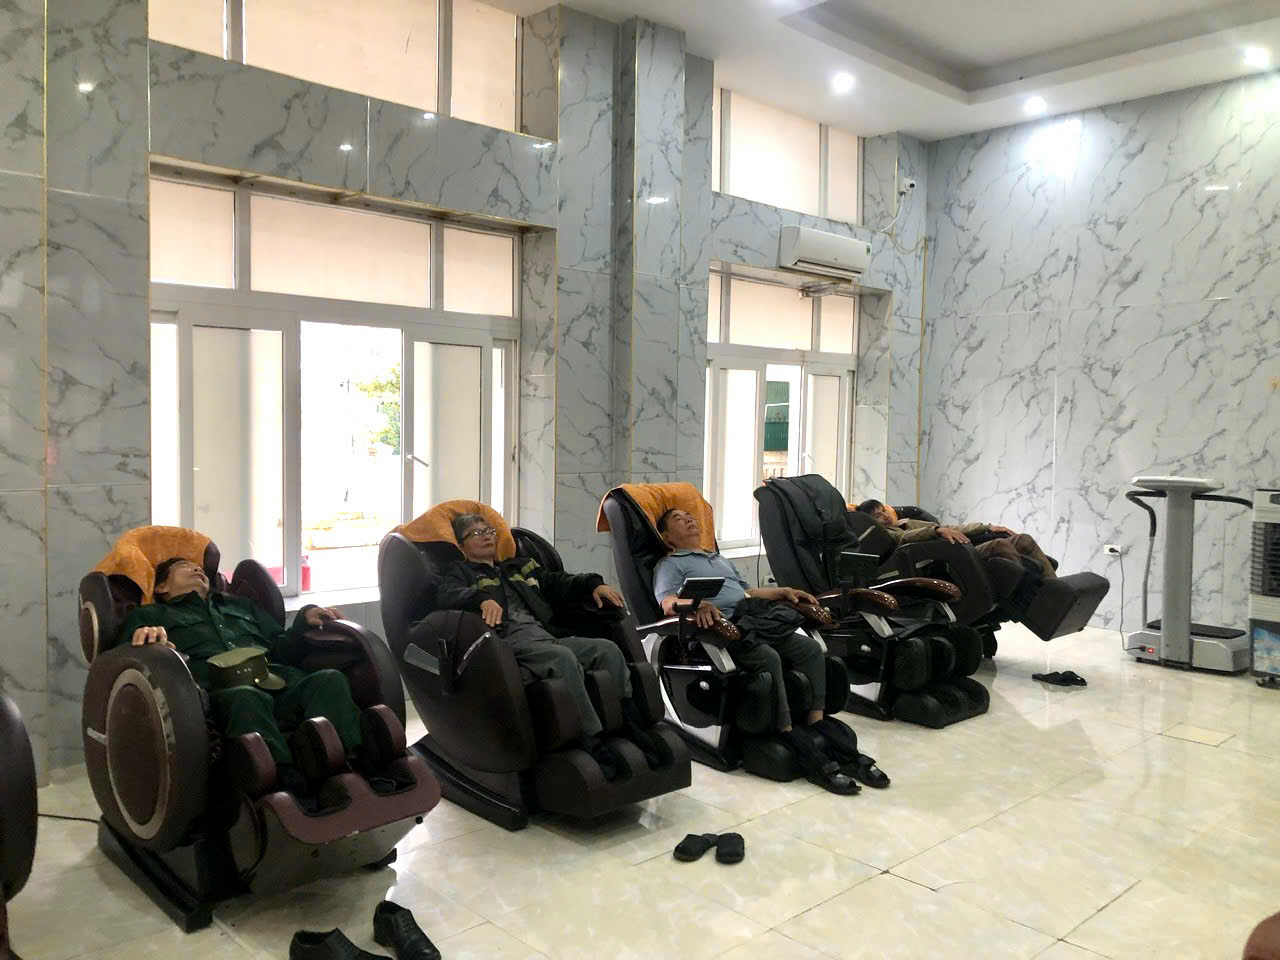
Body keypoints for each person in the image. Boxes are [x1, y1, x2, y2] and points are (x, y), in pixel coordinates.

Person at [118, 557, 388, 799]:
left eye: (199, 567)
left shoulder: (241, 606)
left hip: (277, 679)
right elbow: (123, 658)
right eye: (184, 566)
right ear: (161, 587)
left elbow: (280, 646)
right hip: (219, 692)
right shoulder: (150, 616)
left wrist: (304, 619)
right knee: (246, 697)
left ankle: (354, 769)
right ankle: (285, 785)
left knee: (328, 680)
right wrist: (148, 644)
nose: (197, 569)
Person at [653, 508, 878, 794]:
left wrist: (782, 592)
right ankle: (787, 731)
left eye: (689, 516)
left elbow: (746, 592)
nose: (688, 519)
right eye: (678, 518)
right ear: (667, 537)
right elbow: (667, 602)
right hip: (718, 631)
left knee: (809, 649)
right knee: (768, 657)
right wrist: (697, 606)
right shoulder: (670, 565)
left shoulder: (717, 558)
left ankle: (816, 722)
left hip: (753, 619)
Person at [436, 513, 664, 779]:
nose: (486, 536)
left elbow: (559, 581)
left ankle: (627, 724)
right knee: (561, 658)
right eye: (476, 533)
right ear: (461, 545)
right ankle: (591, 740)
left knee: (607, 650)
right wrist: (479, 599)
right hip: (508, 644)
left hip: (547, 635)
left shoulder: (519, 567)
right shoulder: (460, 573)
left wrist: (594, 584)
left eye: (489, 531)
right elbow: (445, 593)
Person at [855, 500, 1057, 580]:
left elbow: (954, 528)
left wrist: (986, 527)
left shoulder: (908, 520)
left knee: (1023, 540)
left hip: (963, 548)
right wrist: (936, 530)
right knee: (1000, 545)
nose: (885, 516)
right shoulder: (889, 534)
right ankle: (1024, 590)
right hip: (954, 559)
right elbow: (907, 537)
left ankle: (1053, 589)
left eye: (884, 511)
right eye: (878, 516)